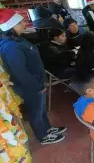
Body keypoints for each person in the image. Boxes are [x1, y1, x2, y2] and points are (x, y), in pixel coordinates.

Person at [0, 9, 66, 145]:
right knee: (36, 111)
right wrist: (37, 86)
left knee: (40, 109)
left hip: (36, 82)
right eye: (21, 22)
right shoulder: (11, 46)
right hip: (30, 86)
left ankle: (47, 129)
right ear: (12, 26)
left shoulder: (18, 40)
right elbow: (20, 72)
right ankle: (42, 136)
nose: (25, 23)